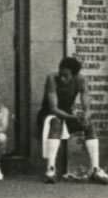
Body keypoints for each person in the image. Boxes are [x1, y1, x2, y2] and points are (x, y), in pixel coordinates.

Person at [38, 56, 108, 184]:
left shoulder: (81, 79)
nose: (62, 78)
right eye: (61, 73)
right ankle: (50, 169)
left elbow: (85, 97)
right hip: (48, 115)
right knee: (56, 122)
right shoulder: (52, 78)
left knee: (89, 125)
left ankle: (95, 169)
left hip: (68, 114)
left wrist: (86, 113)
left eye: (66, 75)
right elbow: (53, 108)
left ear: (75, 75)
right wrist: (73, 117)